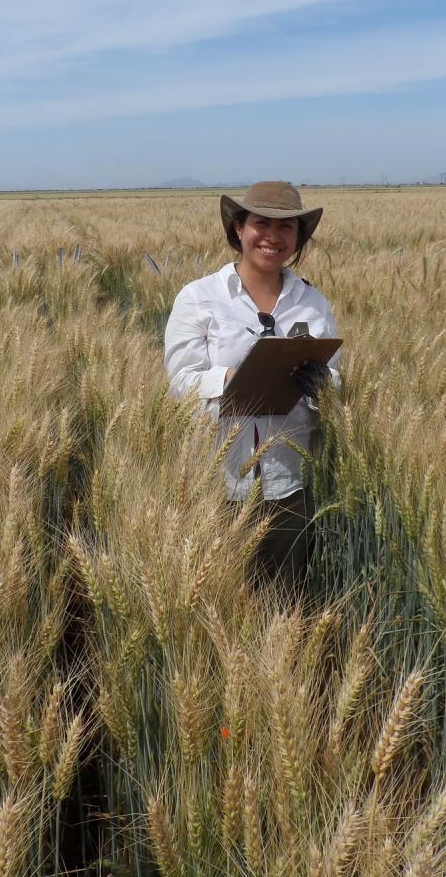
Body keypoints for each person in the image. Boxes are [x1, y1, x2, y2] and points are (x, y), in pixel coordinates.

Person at [163, 181, 341, 594]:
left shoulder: (313, 303)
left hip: (288, 483)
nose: (274, 237)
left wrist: (322, 385)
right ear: (239, 229)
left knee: (282, 600)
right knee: (218, 599)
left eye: (288, 228)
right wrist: (232, 378)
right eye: (262, 223)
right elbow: (180, 386)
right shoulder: (199, 298)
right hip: (216, 484)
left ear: (299, 237)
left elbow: (336, 379)